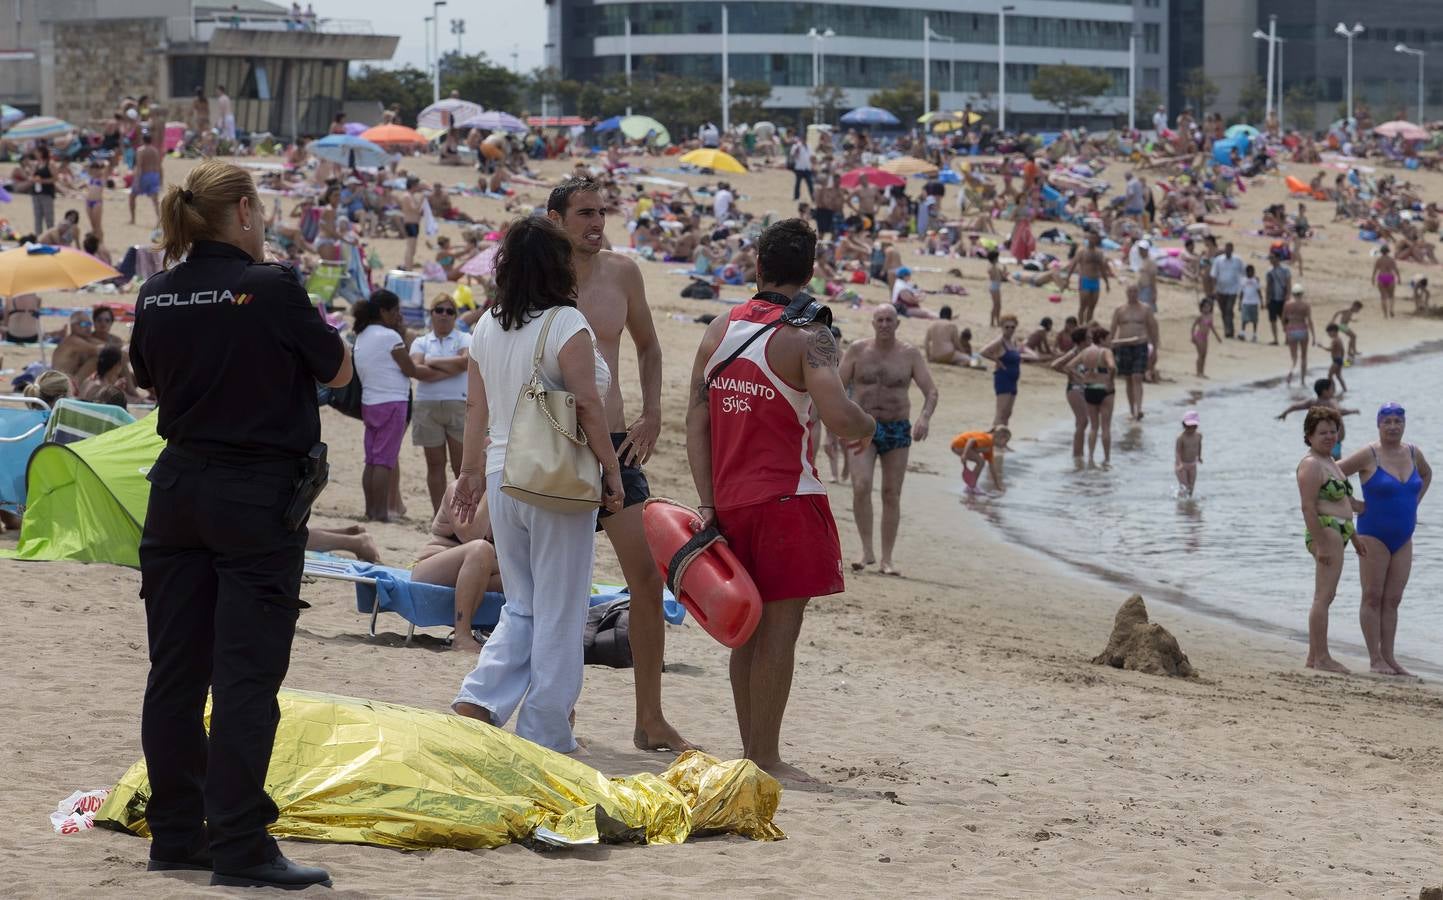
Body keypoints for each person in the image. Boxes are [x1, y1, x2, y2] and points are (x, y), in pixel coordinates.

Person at [129, 160, 351, 889]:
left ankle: (176, 835)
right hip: (254, 496)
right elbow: (338, 371)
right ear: (246, 212)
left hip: (177, 489)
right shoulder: (272, 285)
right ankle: (241, 846)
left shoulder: (157, 291)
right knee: (246, 679)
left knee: (175, 674)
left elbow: (148, 379)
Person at [685, 217, 875, 782]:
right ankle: (764, 756)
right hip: (788, 497)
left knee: (746, 629)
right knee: (779, 632)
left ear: (758, 265)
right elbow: (840, 416)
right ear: (810, 271)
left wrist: (708, 502)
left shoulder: (719, 328)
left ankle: (752, 749)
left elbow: (697, 419)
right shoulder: (811, 335)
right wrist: (872, 425)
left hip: (730, 500)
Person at [450, 215, 623, 753]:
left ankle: (480, 698)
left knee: (523, 602)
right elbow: (587, 404)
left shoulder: (486, 325)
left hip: (502, 472)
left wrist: (470, 473)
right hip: (555, 474)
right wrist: (612, 469)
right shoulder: (565, 322)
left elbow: (475, 407)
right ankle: (546, 728)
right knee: (561, 606)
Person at [545, 176, 691, 752]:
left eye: (601, 212)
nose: (596, 223)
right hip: (557, 444)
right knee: (560, 584)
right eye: (584, 213)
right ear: (556, 219)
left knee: (648, 578)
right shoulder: (537, 275)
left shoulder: (622, 273)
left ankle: (650, 719)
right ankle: (560, 712)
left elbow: (649, 345)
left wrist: (652, 413)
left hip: (617, 442)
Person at [840, 304, 938, 576]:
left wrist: (924, 418)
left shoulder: (909, 354)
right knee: (861, 485)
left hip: (896, 428)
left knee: (891, 493)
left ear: (897, 324)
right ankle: (866, 551)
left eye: (889, 320)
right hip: (863, 427)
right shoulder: (858, 350)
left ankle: (887, 559)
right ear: (873, 323)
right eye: (880, 320)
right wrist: (837, 423)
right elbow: (835, 386)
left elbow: (931, 391)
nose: (884, 324)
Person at [1340, 403, 1431, 676]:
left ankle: (1389, 657)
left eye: (1397, 421)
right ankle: (1375, 658)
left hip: (1404, 536)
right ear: (1378, 425)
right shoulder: (1369, 454)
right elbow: (1331, 472)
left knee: (1393, 600)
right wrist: (1352, 503)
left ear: (1404, 424)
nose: (1393, 426)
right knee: (1372, 596)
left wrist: (1415, 502)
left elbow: (1427, 474)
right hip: (1373, 533)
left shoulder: (1413, 452)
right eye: (1387, 421)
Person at [351, 289, 441, 522]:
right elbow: (411, 369)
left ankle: (371, 510)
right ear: (383, 311)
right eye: (395, 311)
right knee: (384, 461)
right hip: (392, 402)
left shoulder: (362, 334)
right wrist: (443, 372)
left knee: (371, 460)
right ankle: (381, 513)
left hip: (369, 403)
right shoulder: (390, 337)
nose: (398, 315)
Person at [1295, 406, 1365, 674]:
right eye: (1322, 432)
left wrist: (1355, 538)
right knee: (1323, 597)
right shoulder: (1311, 464)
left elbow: (1344, 503)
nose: (1329, 436)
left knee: (1328, 595)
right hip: (1325, 532)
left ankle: (1313, 656)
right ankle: (1323, 658)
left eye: (1333, 431)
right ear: (1309, 435)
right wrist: (1321, 542)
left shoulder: (1331, 461)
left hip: (1340, 531)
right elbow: (1308, 507)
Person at [414, 482, 502, 653]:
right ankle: (462, 635)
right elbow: (470, 536)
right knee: (481, 549)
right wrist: (491, 489)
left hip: (478, 573)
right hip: (431, 568)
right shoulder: (458, 491)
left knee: (523, 575)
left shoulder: (506, 496)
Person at [410, 295, 473, 513]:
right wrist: (453, 368)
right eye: (439, 310)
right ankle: (439, 514)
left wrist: (432, 361)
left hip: (459, 404)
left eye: (449, 311)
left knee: (460, 467)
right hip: (427, 406)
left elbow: (466, 361)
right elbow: (416, 370)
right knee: (435, 465)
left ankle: (461, 515)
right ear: (431, 313)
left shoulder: (465, 338)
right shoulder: (421, 341)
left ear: (455, 316)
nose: (444, 315)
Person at [1109, 284, 1159, 419]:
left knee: (1137, 376)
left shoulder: (1145, 309)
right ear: (1126, 293)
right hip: (1123, 346)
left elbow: (1153, 328)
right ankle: (1132, 410)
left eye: (1135, 291)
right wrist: (1109, 347)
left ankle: (1139, 409)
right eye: (1130, 291)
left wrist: (1155, 349)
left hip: (1140, 345)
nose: (1132, 294)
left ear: (1138, 293)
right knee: (1128, 379)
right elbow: (1113, 329)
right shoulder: (1120, 310)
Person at [1074, 325, 1116, 468]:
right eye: (1108, 339)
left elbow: (1068, 366)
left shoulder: (1086, 352)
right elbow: (1112, 367)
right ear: (1102, 339)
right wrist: (1110, 380)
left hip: (1090, 389)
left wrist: (1082, 378)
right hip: (1104, 389)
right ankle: (1106, 459)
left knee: (1093, 427)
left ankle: (1091, 458)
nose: (1110, 342)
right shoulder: (1106, 351)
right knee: (1106, 427)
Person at [1051, 326, 1092, 463]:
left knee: (1081, 422)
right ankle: (1077, 455)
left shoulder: (1088, 352)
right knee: (1083, 421)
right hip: (1074, 389)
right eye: (1088, 338)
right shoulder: (1074, 352)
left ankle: (1079, 454)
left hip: (1085, 389)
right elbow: (1055, 365)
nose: (1091, 339)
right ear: (1081, 340)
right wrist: (1073, 374)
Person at [979, 314, 1022, 428]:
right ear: (1002, 327)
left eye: (1012, 327)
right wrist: (997, 361)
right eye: (1007, 327)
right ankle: (995, 436)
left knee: (1008, 413)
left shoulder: (1013, 342)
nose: (1010, 330)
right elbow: (983, 351)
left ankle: (1003, 436)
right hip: (1003, 378)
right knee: (1001, 412)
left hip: (1013, 380)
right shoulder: (999, 341)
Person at [1063, 230, 1109, 326]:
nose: (1092, 240)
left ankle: (1088, 326)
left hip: (1096, 281)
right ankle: (1081, 326)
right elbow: (1073, 265)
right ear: (1088, 239)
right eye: (1091, 238)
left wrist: (1107, 283)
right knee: (1083, 306)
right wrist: (1067, 279)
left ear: (1097, 239)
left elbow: (1102, 268)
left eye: (1094, 238)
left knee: (1092, 307)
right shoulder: (1082, 252)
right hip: (1085, 280)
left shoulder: (1099, 253)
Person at [950, 426, 1009, 493]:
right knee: (981, 461)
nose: (1006, 444)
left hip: (958, 445)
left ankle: (971, 485)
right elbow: (971, 440)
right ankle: (971, 486)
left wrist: (997, 486)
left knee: (982, 458)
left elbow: (992, 467)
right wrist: (964, 454)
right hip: (959, 445)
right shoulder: (987, 440)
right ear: (999, 437)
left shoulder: (989, 448)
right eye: (1006, 441)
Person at [51, 309, 101, 380]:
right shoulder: (73, 341)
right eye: (84, 324)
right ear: (73, 326)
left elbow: (105, 345)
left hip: (65, 380)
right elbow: (101, 351)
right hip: (61, 382)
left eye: (89, 324)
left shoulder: (84, 339)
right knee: (98, 359)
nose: (88, 327)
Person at [1209, 241, 1245, 338]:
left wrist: (1243, 286)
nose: (1228, 250)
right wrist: (1214, 288)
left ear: (1232, 249)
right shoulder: (1218, 260)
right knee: (1223, 310)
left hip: (1233, 289)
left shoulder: (1238, 260)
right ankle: (1228, 328)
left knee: (1229, 309)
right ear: (1225, 249)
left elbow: (1243, 273)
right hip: (1221, 289)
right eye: (1227, 248)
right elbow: (1214, 275)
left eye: (1230, 248)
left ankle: (1228, 330)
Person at [1282, 284, 1315, 387]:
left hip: (1291, 329)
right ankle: (1302, 380)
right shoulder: (1306, 305)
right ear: (1302, 293)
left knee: (1294, 358)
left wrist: (1285, 330)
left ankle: (1291, 371)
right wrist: (1313, 335)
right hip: (1302, 329)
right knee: (1304, 356)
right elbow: (1309, 320)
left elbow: (1284, 319)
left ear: (1293, 293)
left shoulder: (1287, 304)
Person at [129, 132, 163, 226]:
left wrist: (136, 180)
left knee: (132, 196)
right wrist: (161, 180)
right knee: (155, 200)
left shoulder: (141, 150)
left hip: (144, 175)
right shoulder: (155, 151)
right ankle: (159, 219)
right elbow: (159, 166)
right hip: (155, 175)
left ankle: (133, 219)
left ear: (143, 140)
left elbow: (139, 166)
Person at [1190, 298, 1223, 378]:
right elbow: (1193, 326)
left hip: (1205, 338)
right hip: (1199, 337)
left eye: (1208, 307)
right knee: (1200, 355)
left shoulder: (1210, 317)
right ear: (1201, 308)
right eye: (1204, 307)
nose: (1206, 309)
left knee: (1204, 355)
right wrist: (1193, 336)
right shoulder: (1200, 317)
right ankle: (1198, 372)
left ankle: (1202, 372)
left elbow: (1212, 327)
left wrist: (1217, 337)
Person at [1265, 252, 1292, 345]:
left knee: (1285, 319)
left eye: (1272, 258)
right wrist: (1267, 299)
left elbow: (1288, 283)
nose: (1270, 260)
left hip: (1283, 298)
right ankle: (1275, 339)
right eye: (1270, 258)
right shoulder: (1269, 271)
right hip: (1272, 298)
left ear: (1278, 258)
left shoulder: (1285, 269)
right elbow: (1268, 285)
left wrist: (1288, 295)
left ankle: (1287, 338)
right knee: (1272, 320)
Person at [30, 145, 57, 235]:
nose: (35, 153)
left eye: (37, 152)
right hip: (36, 193)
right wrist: (34, 179)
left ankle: (51, 237)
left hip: (47, 193)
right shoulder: (36, 164)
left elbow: (55, 178)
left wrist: (42, 181)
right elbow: (31, 176)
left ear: (41, 152)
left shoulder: (50, 164)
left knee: (49, 218)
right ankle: (38, 237)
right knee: (37, 217)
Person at [1175, 410, 1202, 497]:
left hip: (1192, 464)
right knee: (1184, 487)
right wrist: (1179, 463)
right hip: (1182, 465)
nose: (1191, 429)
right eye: (1188, 427)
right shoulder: (1181, 438)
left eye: (1193, 427)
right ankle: (1180, 500)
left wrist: (1199, 456)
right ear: (1184, 425)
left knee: (1191, 488)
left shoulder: (1198, 436)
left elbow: (1199, 445)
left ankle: (1188, 504)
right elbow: (1178, 452)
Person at [399, 177, 423, 268]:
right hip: (410, 223)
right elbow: (414, 209)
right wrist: (422, 200)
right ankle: (407, 266)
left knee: (413, 248)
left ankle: (408, 265)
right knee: (410, 247)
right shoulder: (407, 196)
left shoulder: (412, 196)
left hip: (415, 223)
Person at [1372, 245, 1399, 318]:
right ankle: (1391, 309)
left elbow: (1375, 270)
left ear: (1381, 252)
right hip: (1390, 277)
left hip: (1381, 277)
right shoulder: (1391, 260)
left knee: (1383, 297)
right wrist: (1399, 278)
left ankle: (1385, 315)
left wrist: (1373, 279)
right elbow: (1395, 269)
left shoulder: (1379, 260)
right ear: (1388, 252)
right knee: (1391, 296)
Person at [1321, 323, 1347, 395]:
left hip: (1336, 360)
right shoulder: (1339, 339)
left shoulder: (1334, 340)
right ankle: (1345, 389)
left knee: (1329, 375)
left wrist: (1321, 346)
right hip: (1340, 359)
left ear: (1334, 331)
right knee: (1338, 376)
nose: (1328, 335)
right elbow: (1343, 350)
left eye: (1329, 333)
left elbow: (1330, 349)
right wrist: (1342, 359)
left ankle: (1333, 390)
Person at [1238, 264, 1262, 342]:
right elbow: (1241, 292)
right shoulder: (1243, 280)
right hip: (1245, 302)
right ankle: (1242, 333)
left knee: (1254, 320)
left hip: (1254, 303)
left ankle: (1254, 334)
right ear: (1247, 272)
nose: (1251, 273)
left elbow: (1259, 291)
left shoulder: (1255, 281)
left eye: (1252, 272)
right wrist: (1239, 303)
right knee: (1244, 319)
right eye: (1249, 272)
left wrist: (1261, 302)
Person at [789, 134, 814, 201]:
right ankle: (796, 197)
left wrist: (813, 165)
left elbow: (811, 156)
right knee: (798, 183)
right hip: (799, 168)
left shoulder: (809, 146)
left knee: (810, 184)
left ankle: (813, 197)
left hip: (807, 167)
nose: (804, 140)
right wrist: (797, 151)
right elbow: (792, 155)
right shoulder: (796, 146)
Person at [986, 249, 1005, 327]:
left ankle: (997, 321)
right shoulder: (992, 267)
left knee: (998, 305)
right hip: (994, 287)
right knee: (996, 305)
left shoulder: (995, 267)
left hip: (996, 286)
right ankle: (992, 322)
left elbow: (1001, 276)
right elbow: (992, 277)